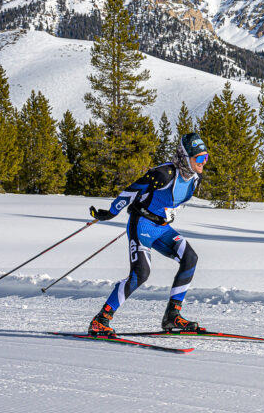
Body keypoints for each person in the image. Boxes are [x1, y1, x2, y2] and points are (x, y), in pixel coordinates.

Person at [86, 132, 209, 336]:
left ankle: (172, 316)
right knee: (140, 274)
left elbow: (174, 202)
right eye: (199, 158)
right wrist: (110, 212)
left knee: (190, 258)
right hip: (142, 225)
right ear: (185, 158)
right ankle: (101, 320)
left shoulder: (196, 179)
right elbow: (131, 191)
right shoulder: (164, 174)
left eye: (205, 158)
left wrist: (168, 216)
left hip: (161, 229)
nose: (203, 163)